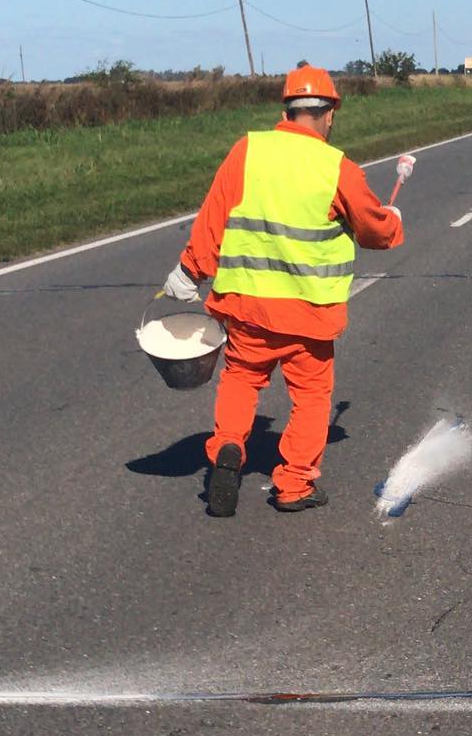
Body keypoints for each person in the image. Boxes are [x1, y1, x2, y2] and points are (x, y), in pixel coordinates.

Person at [161, 65, 404, 517]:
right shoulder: (336, 166)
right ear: (329, 113)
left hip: (247, 306)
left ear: (287, 111)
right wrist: (393, 221)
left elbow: (213, 217)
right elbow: (374, 230)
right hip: (308, 314)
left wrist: (190, 270)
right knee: (310, 396)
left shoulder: (248, 150)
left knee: (241, 377)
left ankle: (229, 446)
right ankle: (293, 484)